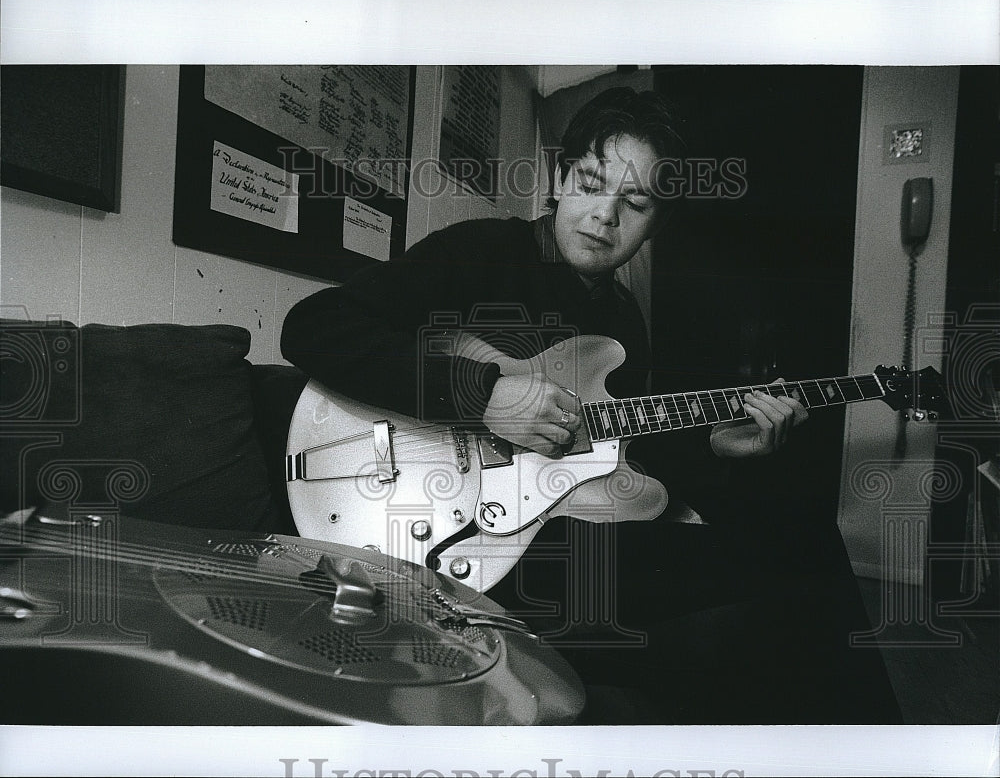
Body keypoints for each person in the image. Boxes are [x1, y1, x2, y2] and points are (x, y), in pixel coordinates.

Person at [280, 87, 856, 723]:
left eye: (634, 203)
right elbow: (314, 326)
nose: (605, 215)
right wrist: (484, 396)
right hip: (442, 524)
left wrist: (717, 446)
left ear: (655, 223)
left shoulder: (623, 320)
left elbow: (613, 449)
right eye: (591, 181)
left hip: (550, 534)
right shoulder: (479, 252)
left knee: (803, 544)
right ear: (560, 178)